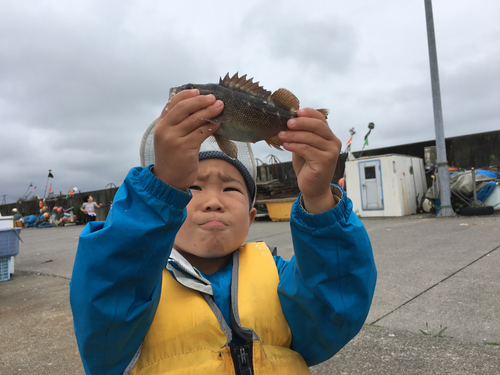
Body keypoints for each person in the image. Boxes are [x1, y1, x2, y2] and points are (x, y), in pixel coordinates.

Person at [70, 89, 377, 374]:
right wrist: (160, 188)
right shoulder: (135, 285)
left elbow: (334, 313)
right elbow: (102, 334)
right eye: (190, 187)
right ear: (168, 205)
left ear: (252, 215)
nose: (213, 202)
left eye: (231, 188)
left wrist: (319, 197)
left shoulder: (277, 276)